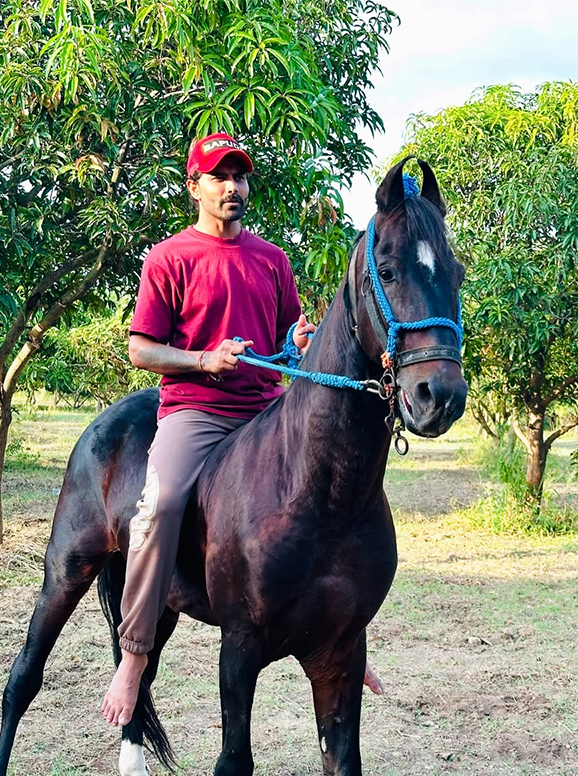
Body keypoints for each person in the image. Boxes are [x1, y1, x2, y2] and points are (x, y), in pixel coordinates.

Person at [101, 133, 382, 728]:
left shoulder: (273, 260)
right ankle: (134, 653)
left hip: (266, 410)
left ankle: (344, 638)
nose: (233, 186)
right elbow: (141, 349)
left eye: (240, 176)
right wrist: (204, 360)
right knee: (158, 506)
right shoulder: (169, 258)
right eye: (219, 176)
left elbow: (287, 339)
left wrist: (299, 342)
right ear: (194, 187)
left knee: (337, 496)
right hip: (196, 412)